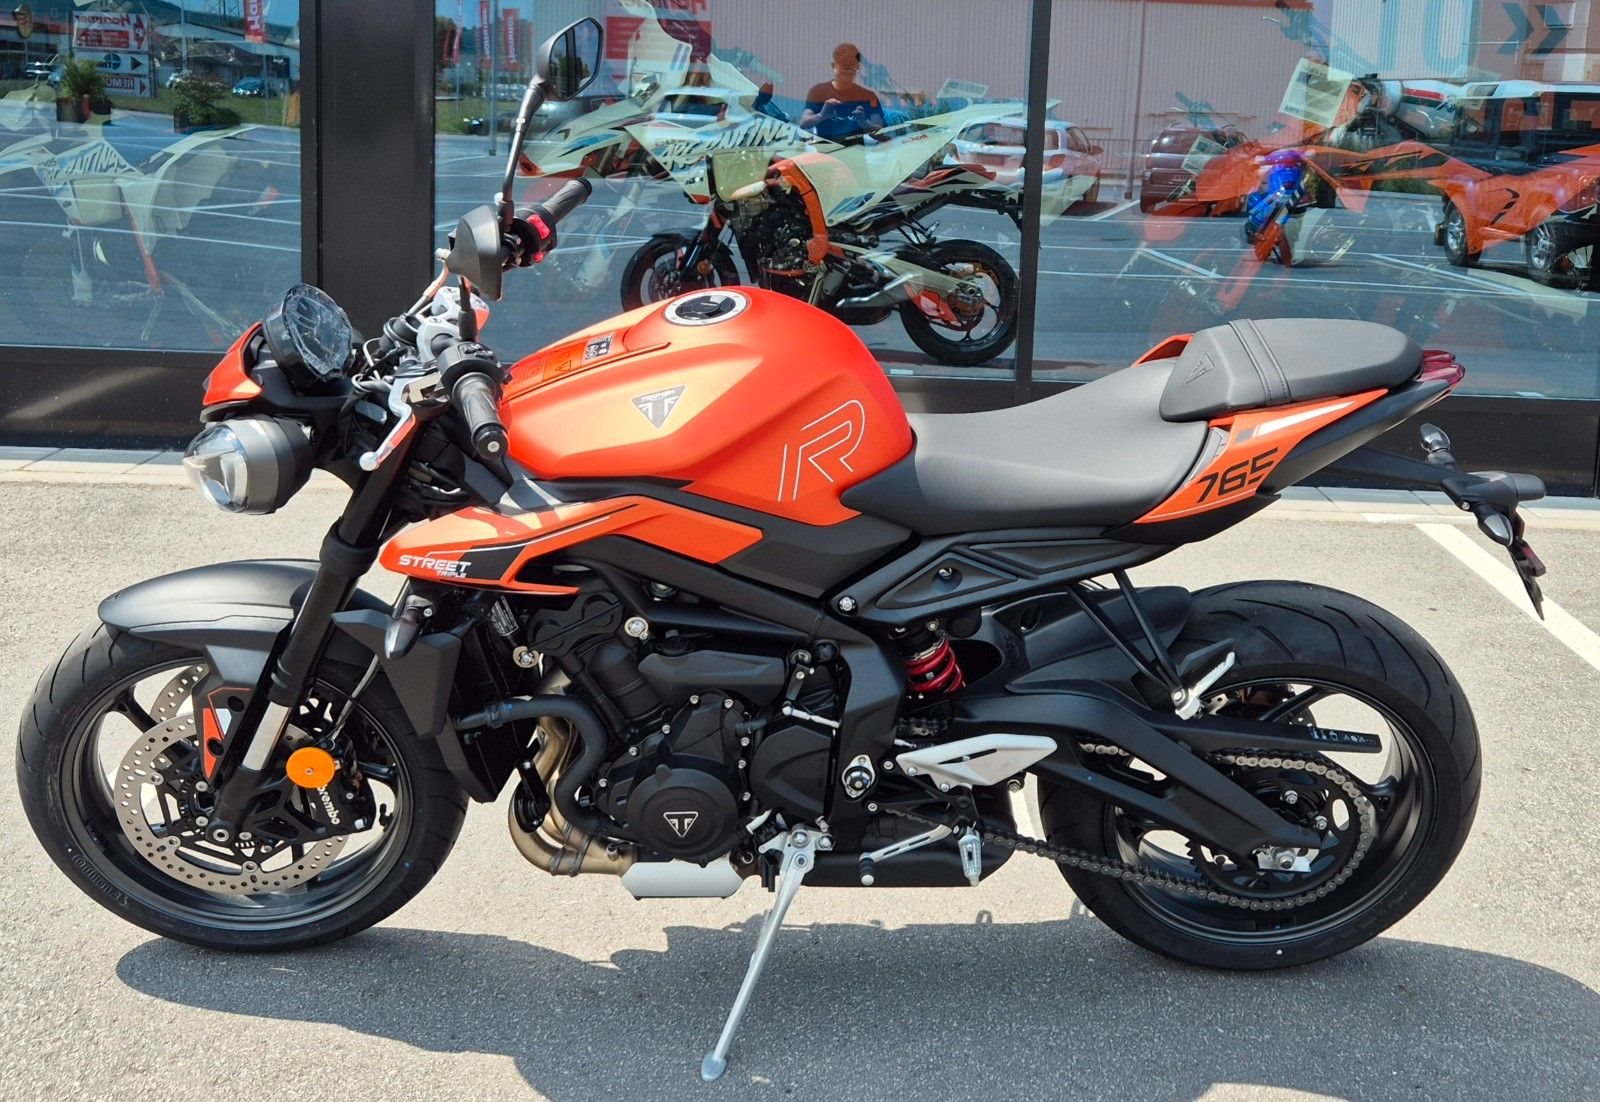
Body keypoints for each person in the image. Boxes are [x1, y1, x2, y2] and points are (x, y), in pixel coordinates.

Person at [800, 42, 884, 140]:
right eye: (843, 65)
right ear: (833, 66)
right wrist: (821, 115)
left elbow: (881, 134)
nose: (847, 69)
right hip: (825, 149)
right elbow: (803, 123)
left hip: (852, 150)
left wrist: (864, 124)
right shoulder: (818, 91)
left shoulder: (868, 96)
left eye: (851, 65)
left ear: (857, 67)